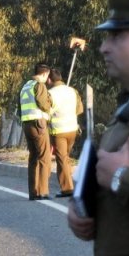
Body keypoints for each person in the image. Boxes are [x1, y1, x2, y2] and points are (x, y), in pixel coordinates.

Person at [67, 0, 129, 255]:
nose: (104, 48)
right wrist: (83, 209)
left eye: (116, 37)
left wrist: (121, 177)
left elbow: (121, 177)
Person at [17, 63, 53, 200]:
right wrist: (50, 105)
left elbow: (19, 106)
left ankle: (33, 192)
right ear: (44, 74)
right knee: (44, 158)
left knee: (33, 158)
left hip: (27, 124)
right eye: (47, 76)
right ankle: (43, 191)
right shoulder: (40, 85)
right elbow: (43, 104)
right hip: (39, 124)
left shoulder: (26, 86)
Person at [47, 68, 83, 198]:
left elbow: (47, 112)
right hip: (72, 129)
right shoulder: (72, 91)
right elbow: (79, 109)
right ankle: (70, 184)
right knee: (66, 157)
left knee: (61, 159)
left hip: (59, 131)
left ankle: (67, 189)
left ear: (49, 80)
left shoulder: (50, 93)